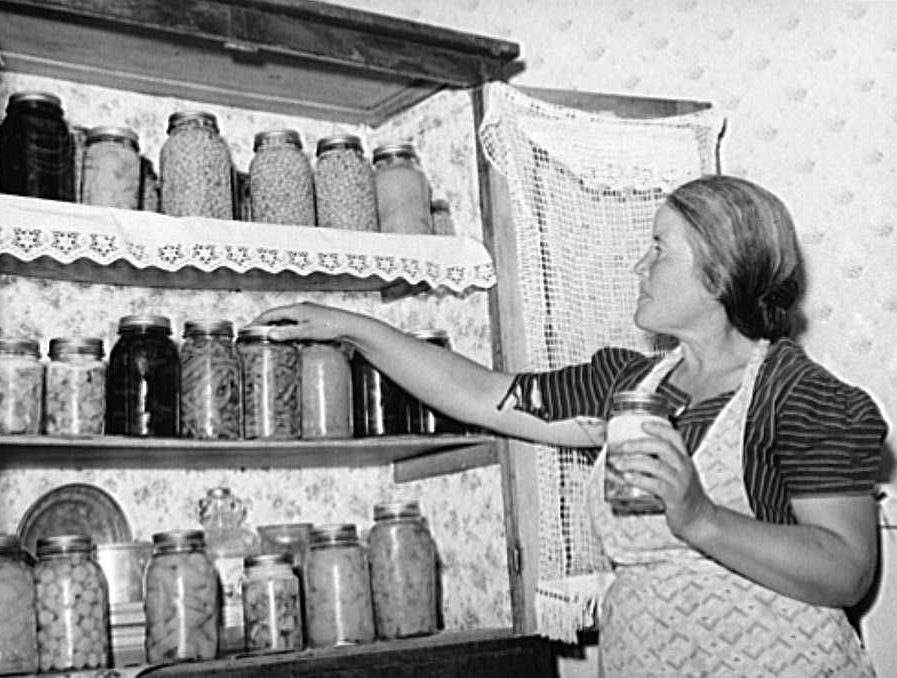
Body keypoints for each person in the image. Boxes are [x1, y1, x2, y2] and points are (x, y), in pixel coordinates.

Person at [252, 174, 888, 676]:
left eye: (660, 249)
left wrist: (701, 517)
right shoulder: (626, 387)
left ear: (720, 273)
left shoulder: (803, 399)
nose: (639, 265)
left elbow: (846, 569)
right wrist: (353, 327)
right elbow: (481, 395)